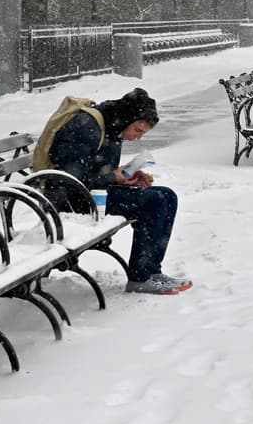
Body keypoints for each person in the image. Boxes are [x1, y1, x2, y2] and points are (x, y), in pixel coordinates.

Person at [39, 87, 192, 295]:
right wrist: (112, 177)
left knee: (167, 196)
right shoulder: (86, 127)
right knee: (155, 200)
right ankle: (141, 276)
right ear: (128, 118)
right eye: (138, 130)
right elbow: (70, 178)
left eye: (143, 133)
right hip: (68, 201)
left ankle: (152, 272)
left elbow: (97, 172)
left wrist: (126, 179)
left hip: (91, 195)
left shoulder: (112, 127)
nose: (138, 137)